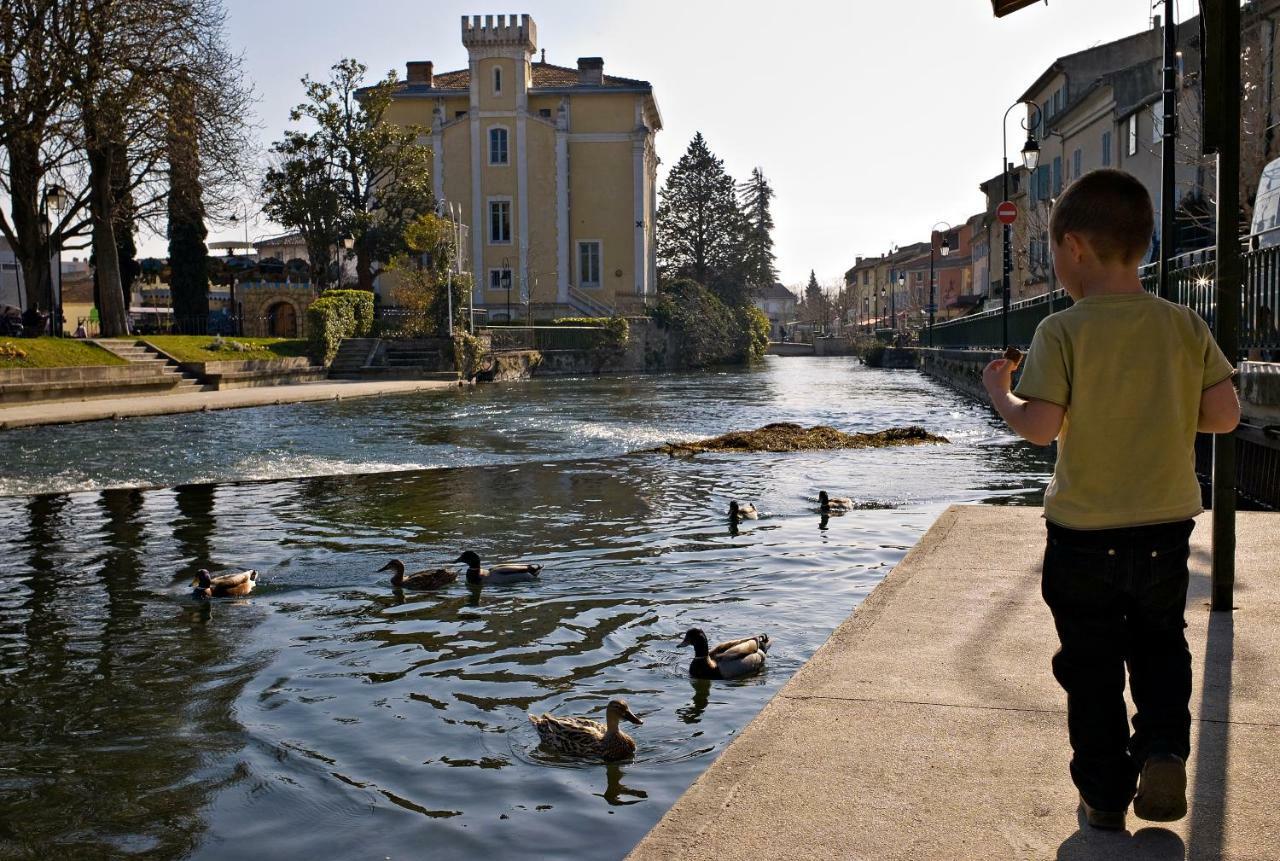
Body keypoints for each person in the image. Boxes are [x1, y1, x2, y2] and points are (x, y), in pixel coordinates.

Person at [981, 169, 1240, 832]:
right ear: (1144, 246)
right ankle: (1162, 749)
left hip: (1083, 537)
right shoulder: (1182, 324)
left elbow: (1039, 427)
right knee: (1160, 645)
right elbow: (1225, 414)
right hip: (1165, 529)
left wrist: (1000, 392)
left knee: (1090, 668)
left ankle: (1102, 795)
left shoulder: (1063, 332)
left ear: (1075, 250)